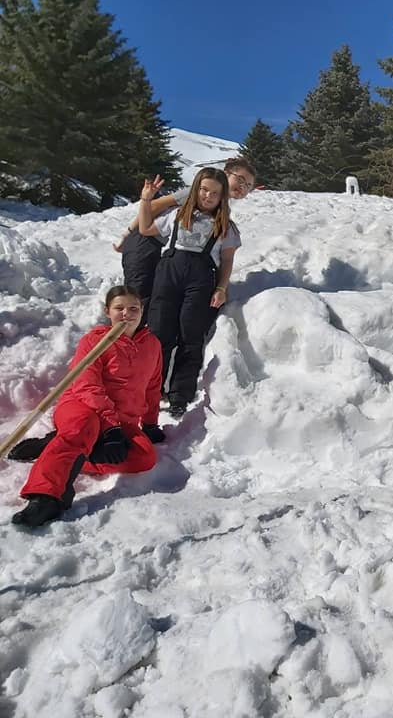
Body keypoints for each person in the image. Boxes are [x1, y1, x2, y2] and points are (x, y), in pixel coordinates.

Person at [11, 286, 165, 528]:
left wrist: (149, 423)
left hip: (121, 420)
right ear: (107, 312)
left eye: (133, 308)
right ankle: (46, 496)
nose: (127, 314)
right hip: (81, 407)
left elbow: (153, 386)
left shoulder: (153, 344)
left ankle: (55, 449)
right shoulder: (94, 341)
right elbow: (87, 386)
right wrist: (110, 429)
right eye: (119, 308)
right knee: (82, 427)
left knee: (144, 457)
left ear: (142, 311)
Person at [139, 168, 237, 418]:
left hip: (201, 279)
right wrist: (146, 200)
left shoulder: (225, 225)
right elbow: (145, 228)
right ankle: (151, 390)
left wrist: (221, 288)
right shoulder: (176, 215)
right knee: (159, 333)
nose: (207, 196)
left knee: (190, 336)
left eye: (214, 193)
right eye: (204, 190)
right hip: (168, 274)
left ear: (222, 197)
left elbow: (226, 260)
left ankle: (180, 395)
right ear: (195, 189)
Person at [115, 157, 256, 323]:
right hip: (147, 241)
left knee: (154, 299)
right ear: (225, 173)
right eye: (239, 179)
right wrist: (128, 233)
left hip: (166, 251)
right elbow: (154, 205)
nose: (242, 187)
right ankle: (122, 341)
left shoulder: (221, 206)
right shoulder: (196, 191)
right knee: (138, 297)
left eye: (248, 185)